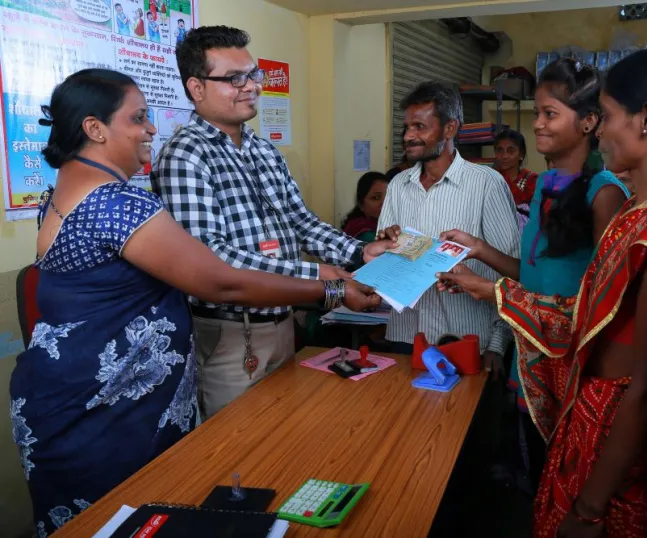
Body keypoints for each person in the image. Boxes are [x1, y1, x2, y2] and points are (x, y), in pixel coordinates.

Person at [9, 69, 381, 537]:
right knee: (133, 518)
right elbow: (220, 283)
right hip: (109, 414)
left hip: (61, 399)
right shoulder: (118, 205)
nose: (151, 129)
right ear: (94, 128)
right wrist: (329, 289)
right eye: (138, 118)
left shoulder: (60, 193)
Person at [437, 45, 647, 537]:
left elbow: (642, 392)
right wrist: (492, 283)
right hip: (587, 423)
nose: (601, 129)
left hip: (614, 453)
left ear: (646, 119)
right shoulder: (645, 215)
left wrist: (589, 508)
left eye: (610, 116)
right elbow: (588, 320)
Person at [154, 26, 390, 419]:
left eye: (254, 74)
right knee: (239, 452)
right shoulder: (184, 156)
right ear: (196, 88)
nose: (251, 87)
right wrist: (320, 277)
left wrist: (360, 250)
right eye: (235, 79)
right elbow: (213, 258)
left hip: (283, 322)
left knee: (283, 436)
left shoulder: (263, 150)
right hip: (231, 334)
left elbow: (300, 220)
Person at [438, 58, 629, 493]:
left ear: (588, 122)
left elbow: (603, 305)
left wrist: (489, 291)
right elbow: (532, 274)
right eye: (537, 113)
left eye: (550, 114)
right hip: (533, 360)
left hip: (576, 367)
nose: (538, 125)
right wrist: (480, 249)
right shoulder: (544, 185)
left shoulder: (605, 195)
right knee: (541, 476)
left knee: (569, 479)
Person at [376, 80, 520, 369]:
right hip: (407, 338)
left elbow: (512, 273)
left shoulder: (485, 185)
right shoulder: (398, 186)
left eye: (420, 127)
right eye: (407, 128)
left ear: (450, 129)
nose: (408, 136)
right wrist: (385, 245)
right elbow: (385, 262)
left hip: (467, 342)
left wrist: (497, 344)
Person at [493, 129, 539, 230]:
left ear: (521, 154)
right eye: (500, 150)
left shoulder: (533, 181)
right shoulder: (489, 178)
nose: (504, 156)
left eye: (511, 150)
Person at [341, 171, 389, 242]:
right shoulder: (365, 234)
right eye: (376, 197)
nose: (385, 203)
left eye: (389, 196)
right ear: (361, 204)